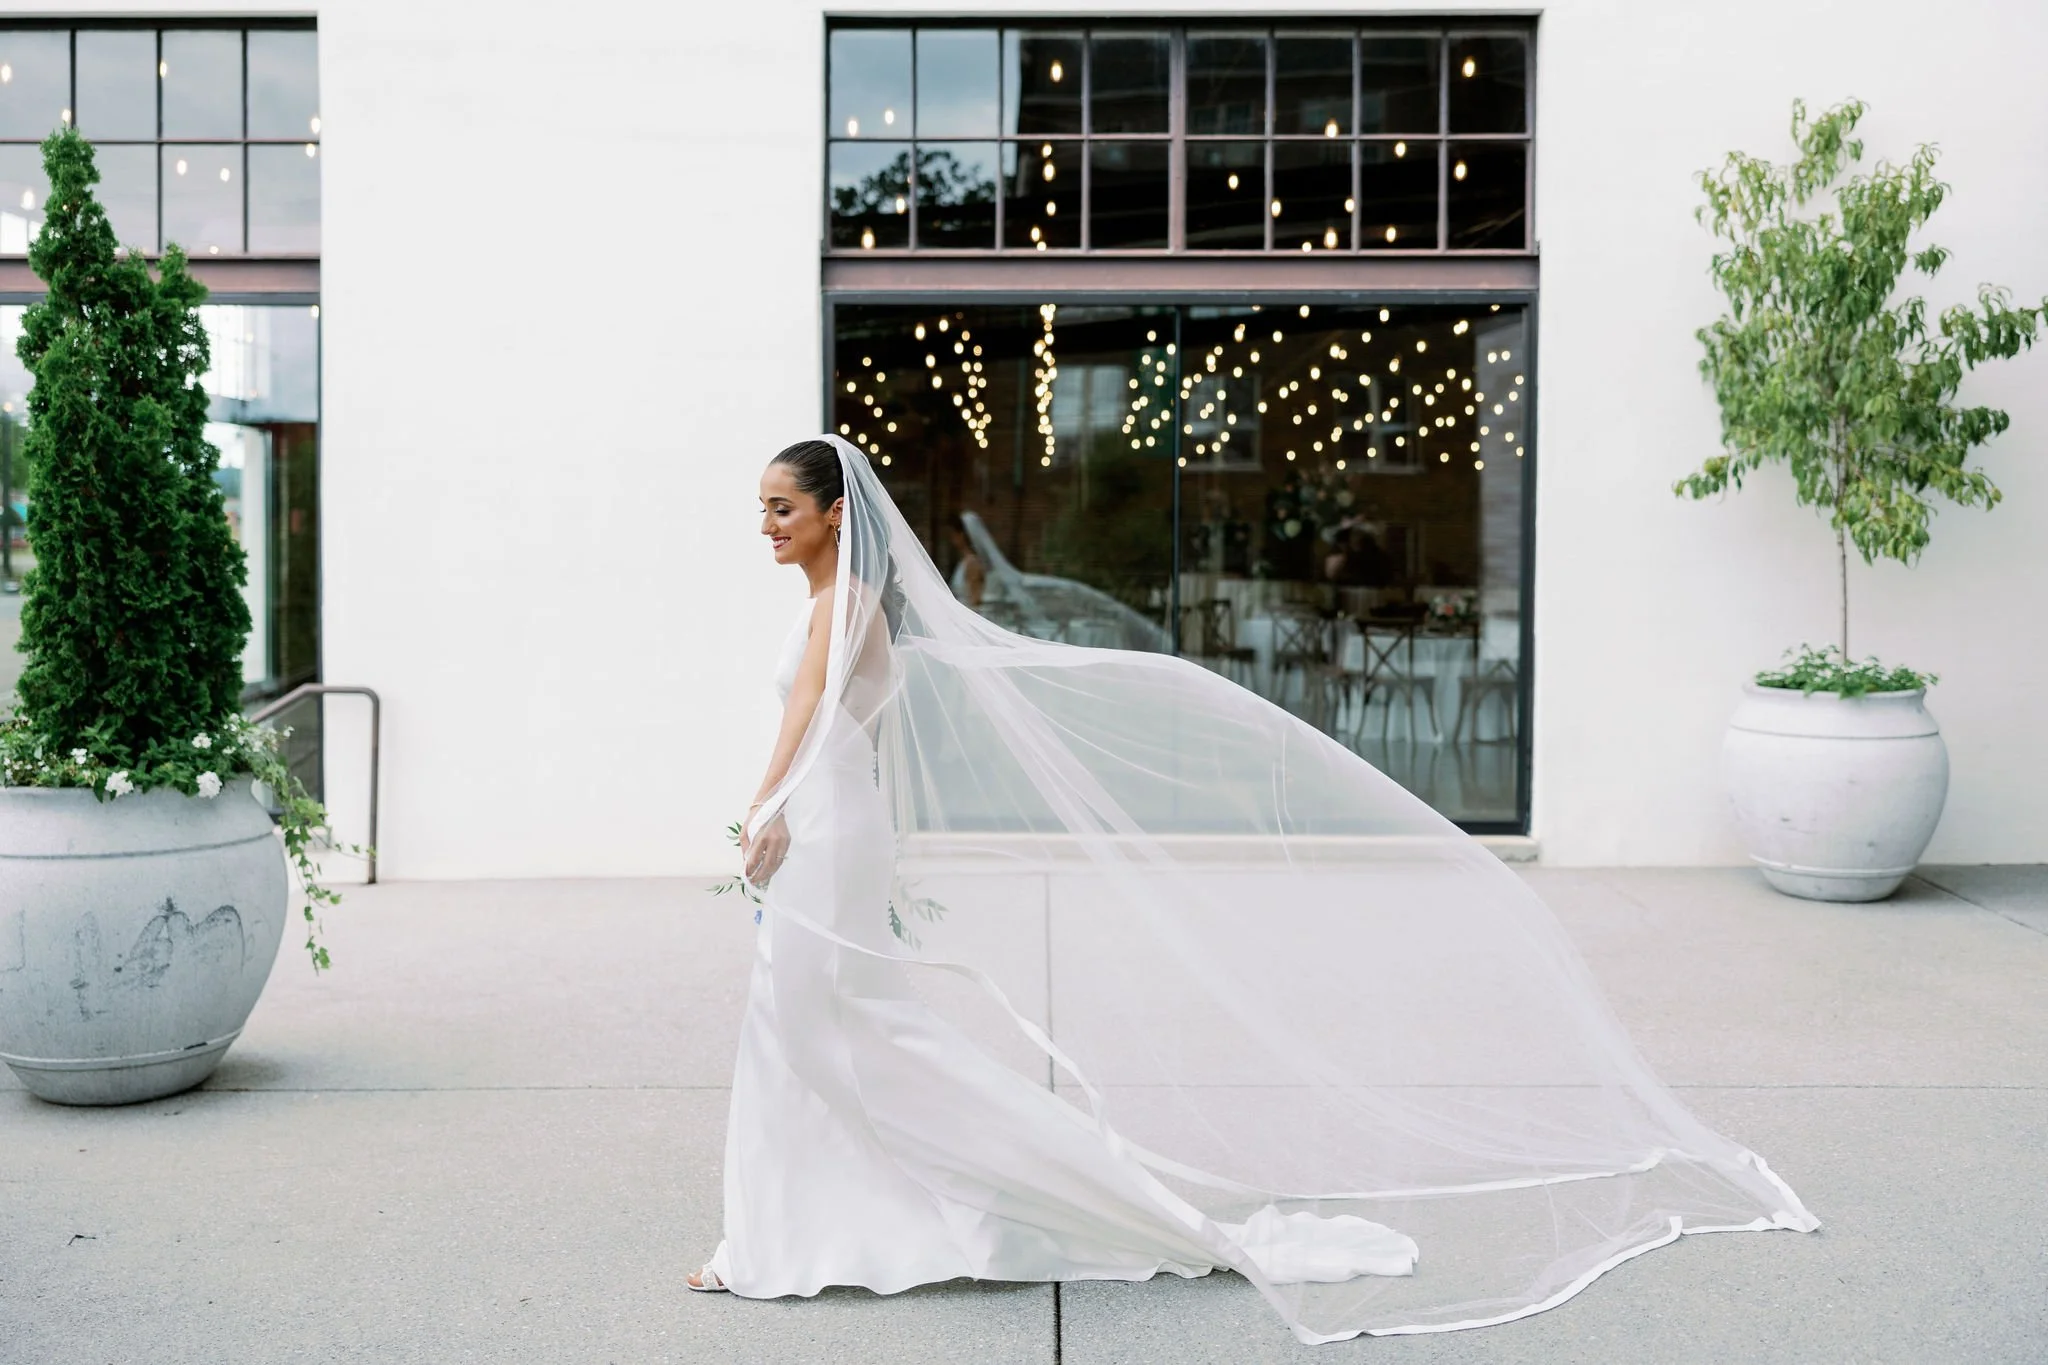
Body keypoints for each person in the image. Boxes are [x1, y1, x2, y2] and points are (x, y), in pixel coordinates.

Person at [686, 435, 1817, 1344]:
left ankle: (826, 1230)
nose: (766, 528)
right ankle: (802, 1233)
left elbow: (812, 719)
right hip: (835, 823)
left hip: (824, 827)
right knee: (820, 1027)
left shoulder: (845, 608)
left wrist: (766, 808)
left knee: (817, 1025)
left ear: (836, 512)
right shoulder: (834, 606)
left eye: (781, 509)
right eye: (760, 512)